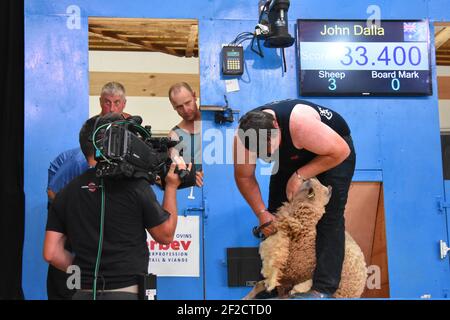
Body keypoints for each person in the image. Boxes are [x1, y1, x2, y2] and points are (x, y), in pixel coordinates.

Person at [43, 114, 189, 300]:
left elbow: (50, 253)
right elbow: (165, 235)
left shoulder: (66, 193)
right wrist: (171, 187)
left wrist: (83, 272)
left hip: (83, 292)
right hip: (127, 291)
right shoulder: (136, 187)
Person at [234, 99, 356, 299]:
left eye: (267, 148)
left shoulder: (300, 124)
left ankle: (323, 289)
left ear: (275, 126)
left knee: (330, 215)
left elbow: (341, 151)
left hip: (333, 152)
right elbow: (243, 176)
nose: (265, 156)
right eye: (259, 152)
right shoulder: (243, 137)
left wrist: (300, 175)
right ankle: (272, 285)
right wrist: (261, 212)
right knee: (275, 216)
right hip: (290, 155)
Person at [44, 82, 131, 300]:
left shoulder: (128, 136)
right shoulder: (86, 146)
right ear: (100, 103)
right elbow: (53, 192)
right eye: (107, 103)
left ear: (124, 104)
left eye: (116, 103)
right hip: (72, 235)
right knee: (70, 287)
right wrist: (77, 219)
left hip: (100, 238)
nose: (111, 108)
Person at [167, 82, 203, 188]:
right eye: (179, 107)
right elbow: (177, 168)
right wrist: (191, 177)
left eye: (188, 103)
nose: (186, 110)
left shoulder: (213, 122)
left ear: (194, 96)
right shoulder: (174, 136)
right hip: (195, 193)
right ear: (173, 107)